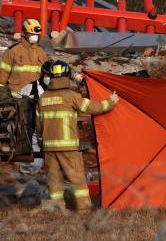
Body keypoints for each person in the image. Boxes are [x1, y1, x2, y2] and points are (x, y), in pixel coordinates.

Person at [36, 59, 118, 210]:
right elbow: (93, 107)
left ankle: (56, 209)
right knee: (77, 180)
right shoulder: (71, 96)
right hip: (68, 148)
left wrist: (43, 142)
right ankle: (84, 209)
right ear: (67, 76)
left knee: (54, 181)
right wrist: (110, 102)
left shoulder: (43, 98)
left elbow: (39, 126)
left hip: (49, 149)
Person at [1, 17, 48, 96]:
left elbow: (46, 75)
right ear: (24, 33)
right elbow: (3, 74)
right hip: (15, 95)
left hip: (34, 95)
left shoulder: (41, 52)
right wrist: (2, 93)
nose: (35, 36)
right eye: (32, 34)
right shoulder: (13, 51)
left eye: (36, 34)